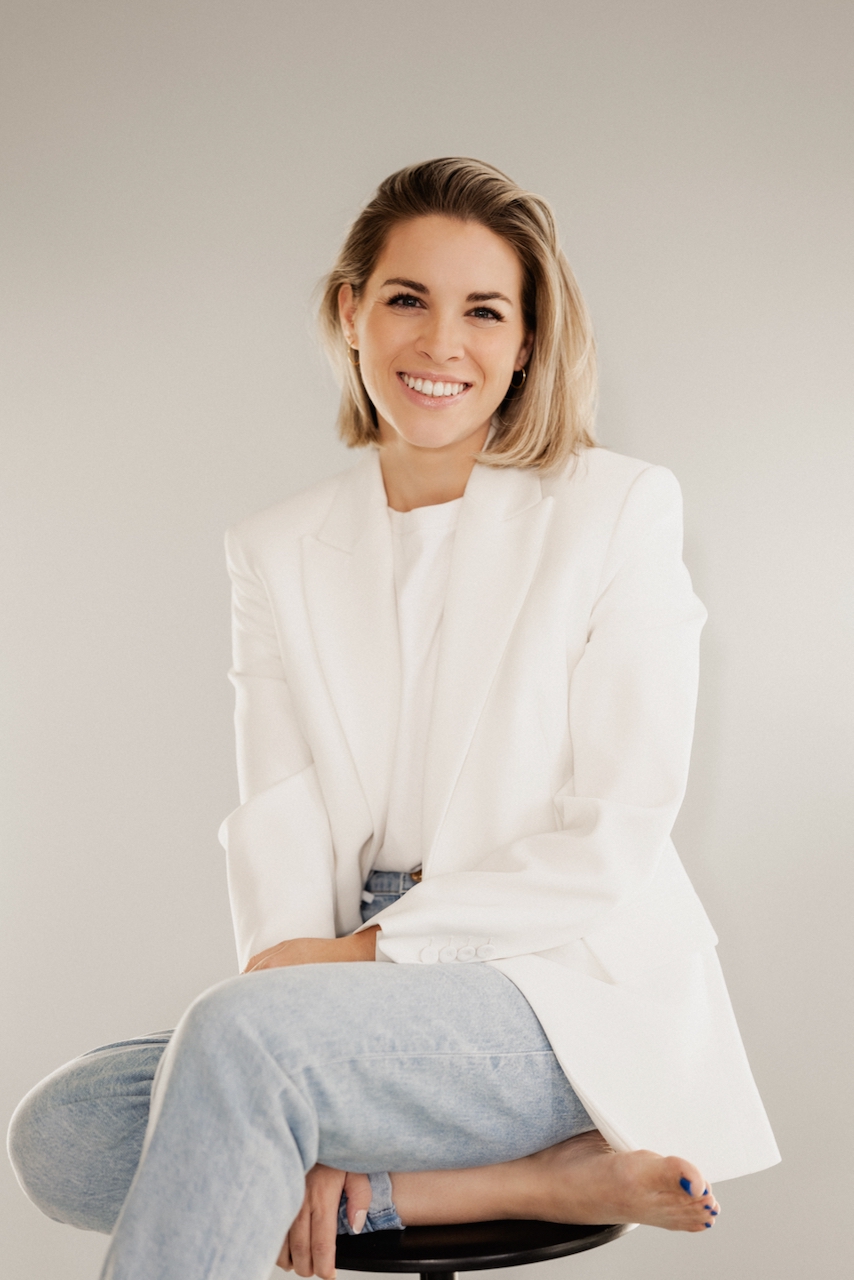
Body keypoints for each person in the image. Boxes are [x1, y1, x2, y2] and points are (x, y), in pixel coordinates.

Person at [8, 157, 780, 1280]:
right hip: (354, 982)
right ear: (350, 313)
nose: (440, 343)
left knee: (242, 1046)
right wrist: (308, 1011)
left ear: (527, 340)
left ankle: (379, 1135)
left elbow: (611, 837)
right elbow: (278, 815)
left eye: (484, 311)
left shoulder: (617, 508)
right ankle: (501, 1180)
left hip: (554, 980)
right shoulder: (274, 548)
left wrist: (355, 966)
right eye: (407, 298)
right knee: (65, 1130)